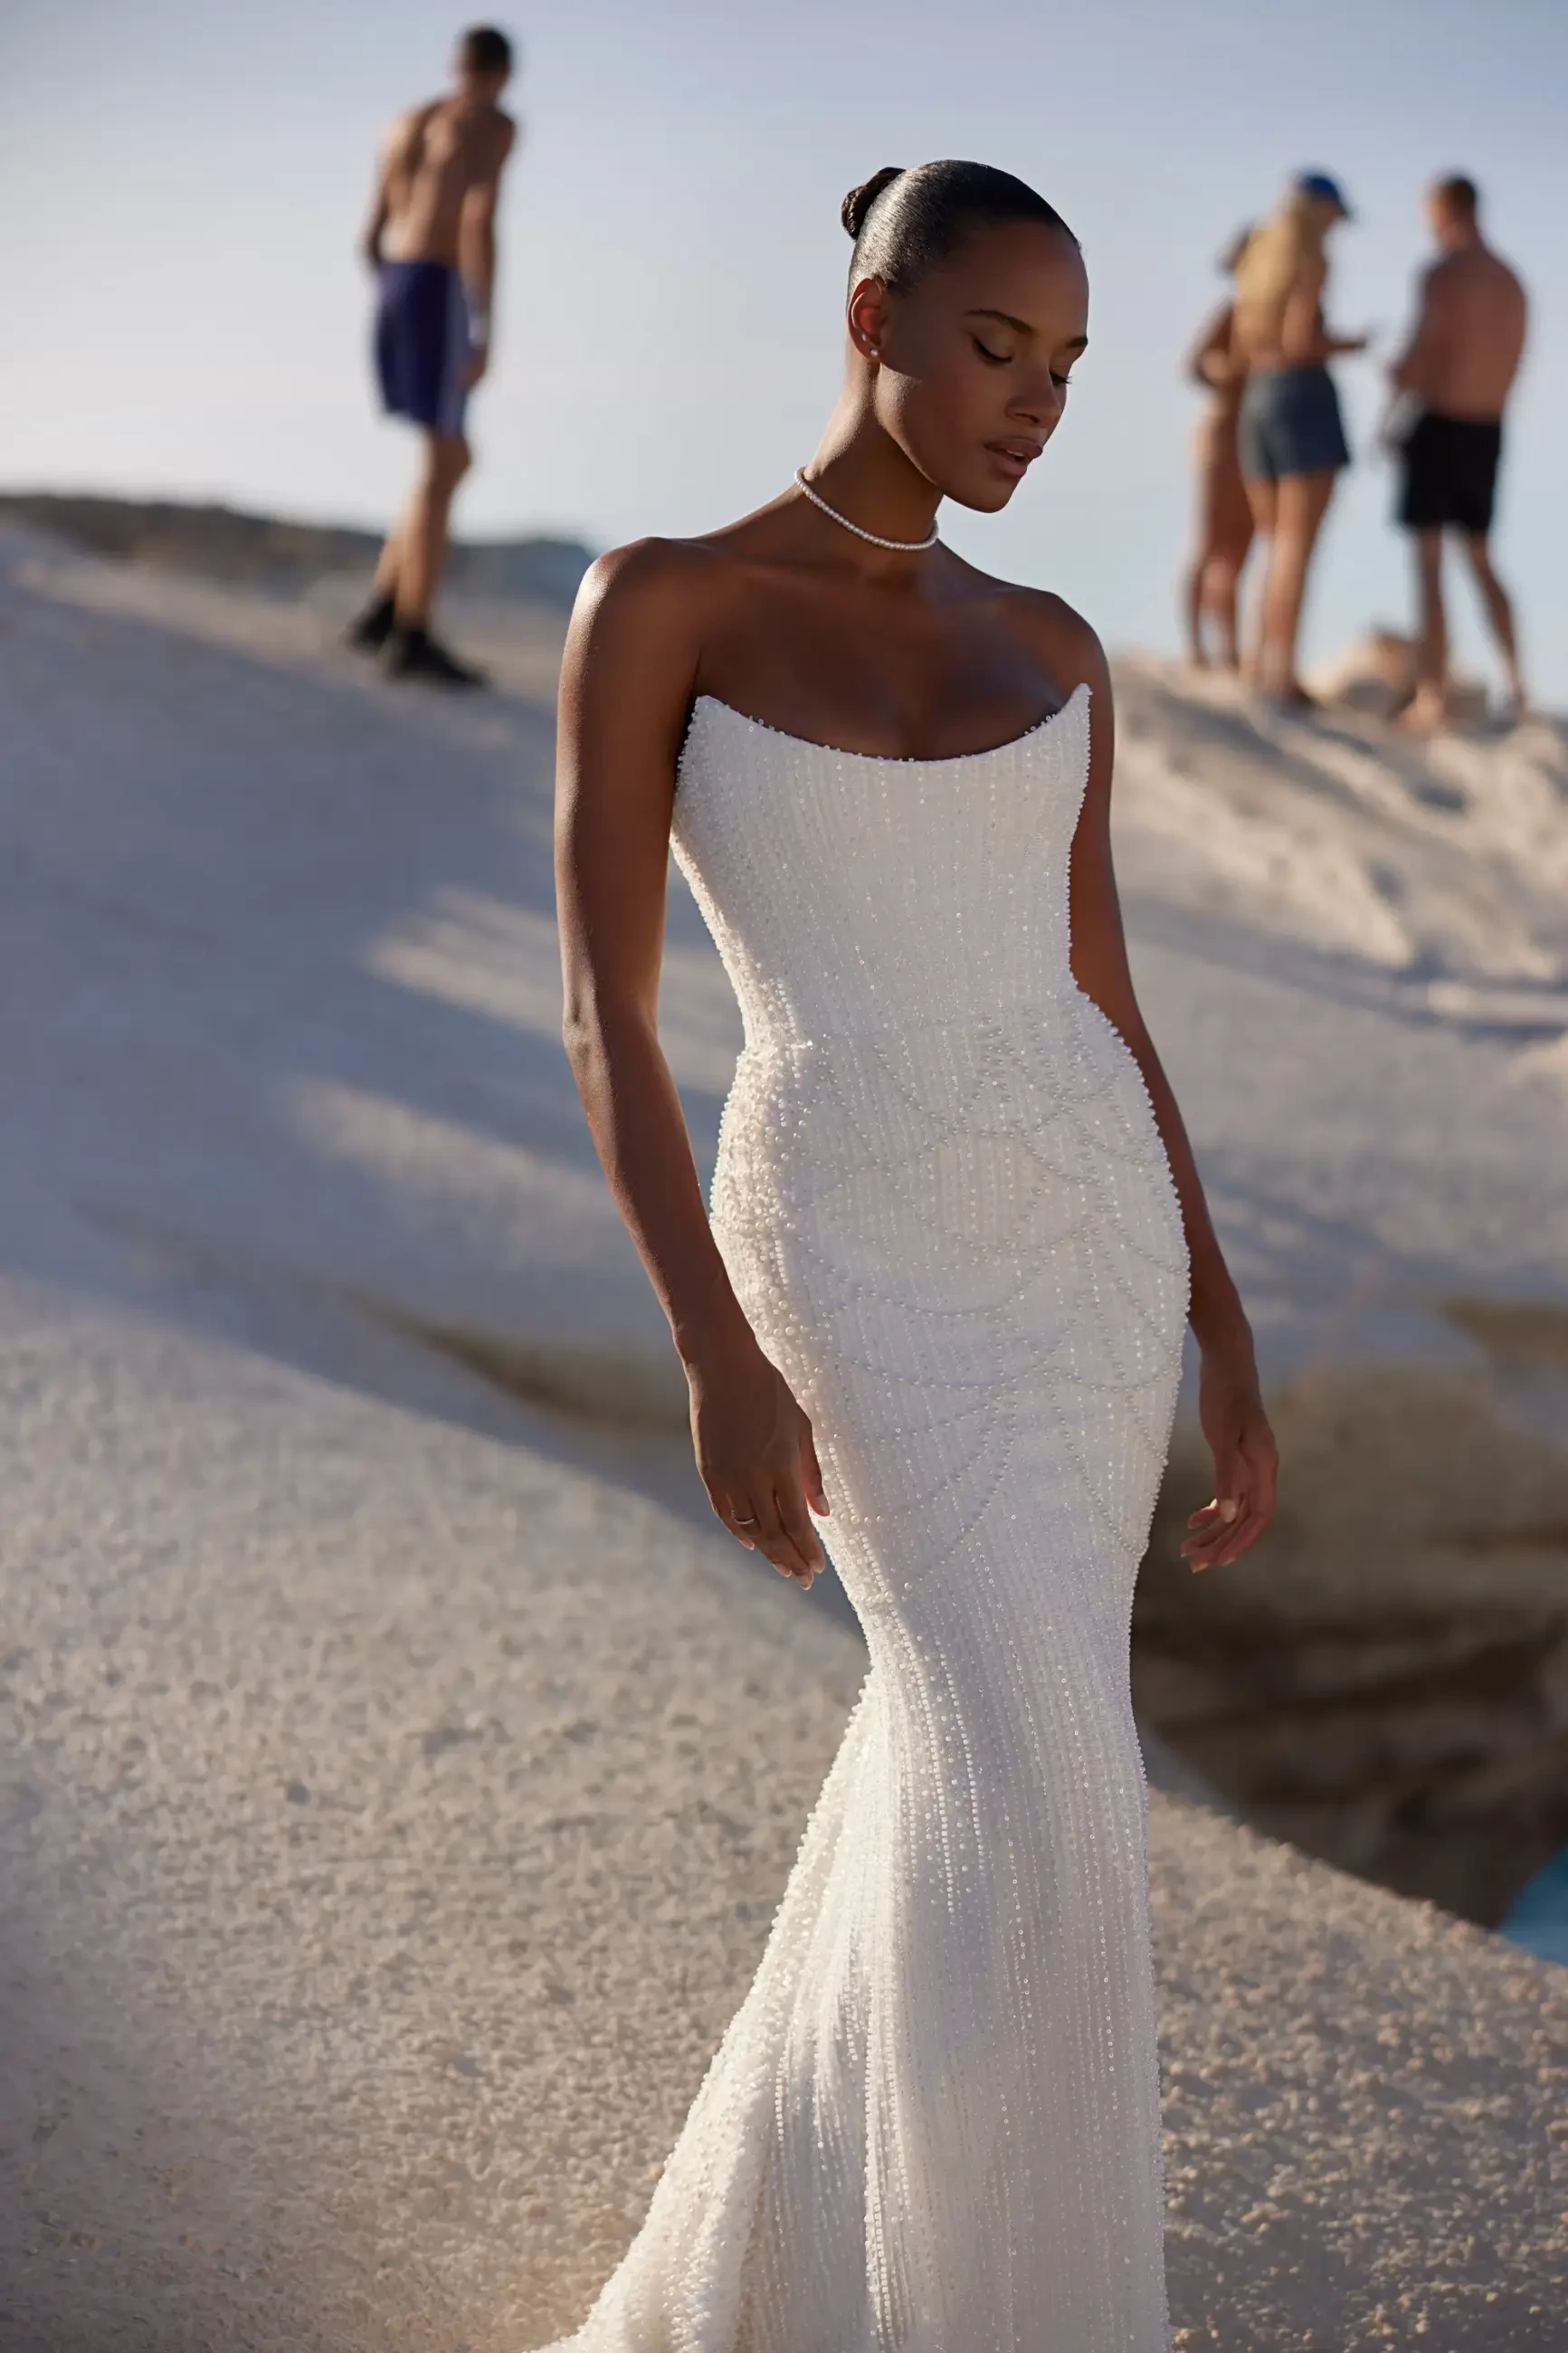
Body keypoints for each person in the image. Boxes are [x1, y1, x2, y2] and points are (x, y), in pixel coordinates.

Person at [539, 160, 1277, 2351]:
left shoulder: (1048, 650)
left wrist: (1218, 1320)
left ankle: (827, 2281)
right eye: (992, 346)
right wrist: (706, 1342)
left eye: (1063, 371)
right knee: (1013, 1769)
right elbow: (607, 1007)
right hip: (840, 1245)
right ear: (873, 313)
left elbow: (1105, 1004)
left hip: (1073, 1252)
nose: (1034, 404)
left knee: (995, 1778)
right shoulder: (656, 601)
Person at [347, 25, 518, 686]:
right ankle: (412, 631)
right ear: (502, 73)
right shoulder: (490, 126)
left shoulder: (404, 123)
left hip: (397, 281)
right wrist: (483, 326)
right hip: (439, 283)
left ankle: (386, 608)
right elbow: (479, 219)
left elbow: (370, 236)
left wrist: (398, 291)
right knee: (448, 457)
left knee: (441, 458)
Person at [1384, 175, 1528, 731]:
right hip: (1488, 428)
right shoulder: (1512, 281)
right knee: (1481, 559)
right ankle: (1517, 685)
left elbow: (1424, 352)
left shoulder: (1443, 273)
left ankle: (1433, 697)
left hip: (1441, 425)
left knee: (1430, 566)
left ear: (1444, 209)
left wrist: (1393, 402)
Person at [1232, 171, 1366, 706]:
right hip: (1303, 397)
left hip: (1258, 397)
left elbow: (1254, 343)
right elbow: (1301, 340)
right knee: (1296, 546)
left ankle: (1257, 661)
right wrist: (1349, 345)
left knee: (1272, 545)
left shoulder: (1257, 260)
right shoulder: (1311, 260)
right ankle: (1281, 672)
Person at [1181, 226, 1255, 670]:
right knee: (1209, 543)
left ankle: (1230, 650)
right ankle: (1196, 648)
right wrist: (1227, 375)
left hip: (1253, 439)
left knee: (1240, 550)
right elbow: (1197, 363)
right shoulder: (1234, 311)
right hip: (1222, 435)